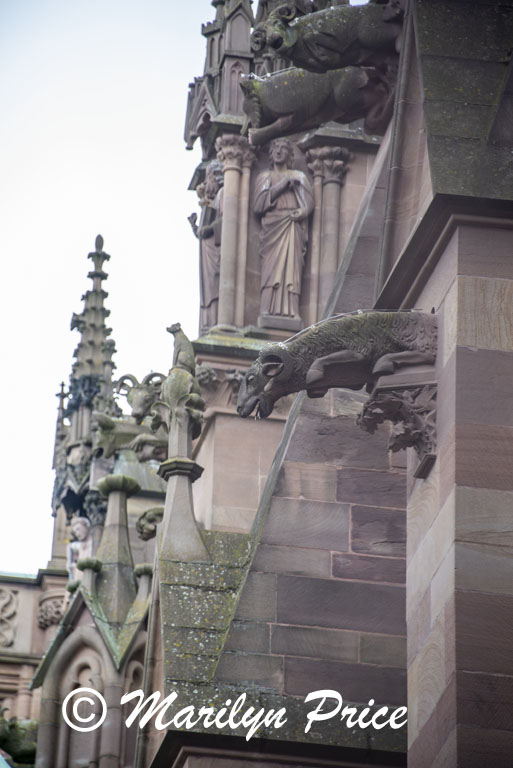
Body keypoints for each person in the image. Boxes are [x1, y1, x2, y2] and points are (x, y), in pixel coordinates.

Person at [254, 138, 313, 320]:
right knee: (271, 271)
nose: (278, 152)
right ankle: (267, 309)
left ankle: (292, 311)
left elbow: (308, 203)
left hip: (292, 224)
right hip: (273, 225)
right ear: (270, 154)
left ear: (290, 155)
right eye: (275, 148)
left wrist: (302, 212)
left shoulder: (299, 177)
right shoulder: (265, 177)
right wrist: (283, 185)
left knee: (292, 270)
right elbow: (258, 204)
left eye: (283, 149)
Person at [189, 160, 224, 333]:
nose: (205, 183)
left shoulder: (223, 197)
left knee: (214, 286)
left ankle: (214, 322)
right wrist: (196, 227)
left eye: (210, 177)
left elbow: (225, 223)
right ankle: (208, 324)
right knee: (209, 289)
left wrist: (205, 229)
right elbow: (203, 233)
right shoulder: (211, 202)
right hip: (207, 251)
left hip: (214, 250)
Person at [67, 516, 92, 582]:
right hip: (79, 576)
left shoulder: (94, 543)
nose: (77, 534)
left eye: (78, 529)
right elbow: (69, 566)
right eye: (75, 532)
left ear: (86, 526)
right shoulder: (75, 546)